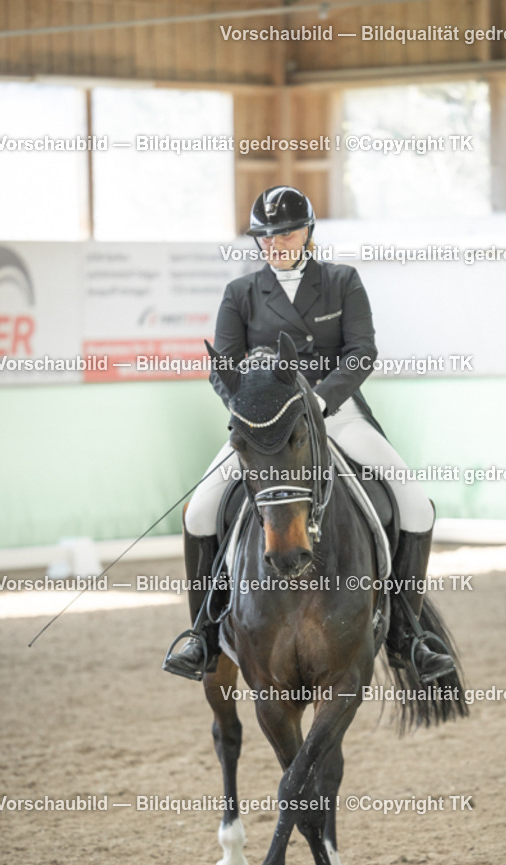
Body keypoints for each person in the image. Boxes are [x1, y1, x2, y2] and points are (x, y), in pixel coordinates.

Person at [163, 185, 454, 683]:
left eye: (287, 233)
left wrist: (321, 399)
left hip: (333, 411)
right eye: (266, 236)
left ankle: (409, 634)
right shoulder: (241, 293)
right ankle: (202, 635)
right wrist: (248, 410)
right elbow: (223, 368)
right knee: (201, 512)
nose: (276, 243)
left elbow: (362, 350)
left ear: (308, 233)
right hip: (268, 426)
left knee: (415, 504)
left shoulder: (342, 281)